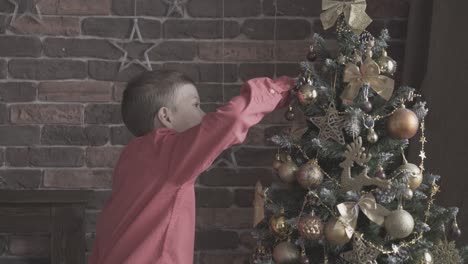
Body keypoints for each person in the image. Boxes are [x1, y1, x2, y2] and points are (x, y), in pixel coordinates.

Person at [88, 69, 295, 263]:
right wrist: (287, 88)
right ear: (166, 116)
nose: (203, 114)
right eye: (195, 105)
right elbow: (233, 117)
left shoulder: (130, 157)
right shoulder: (169, 152)